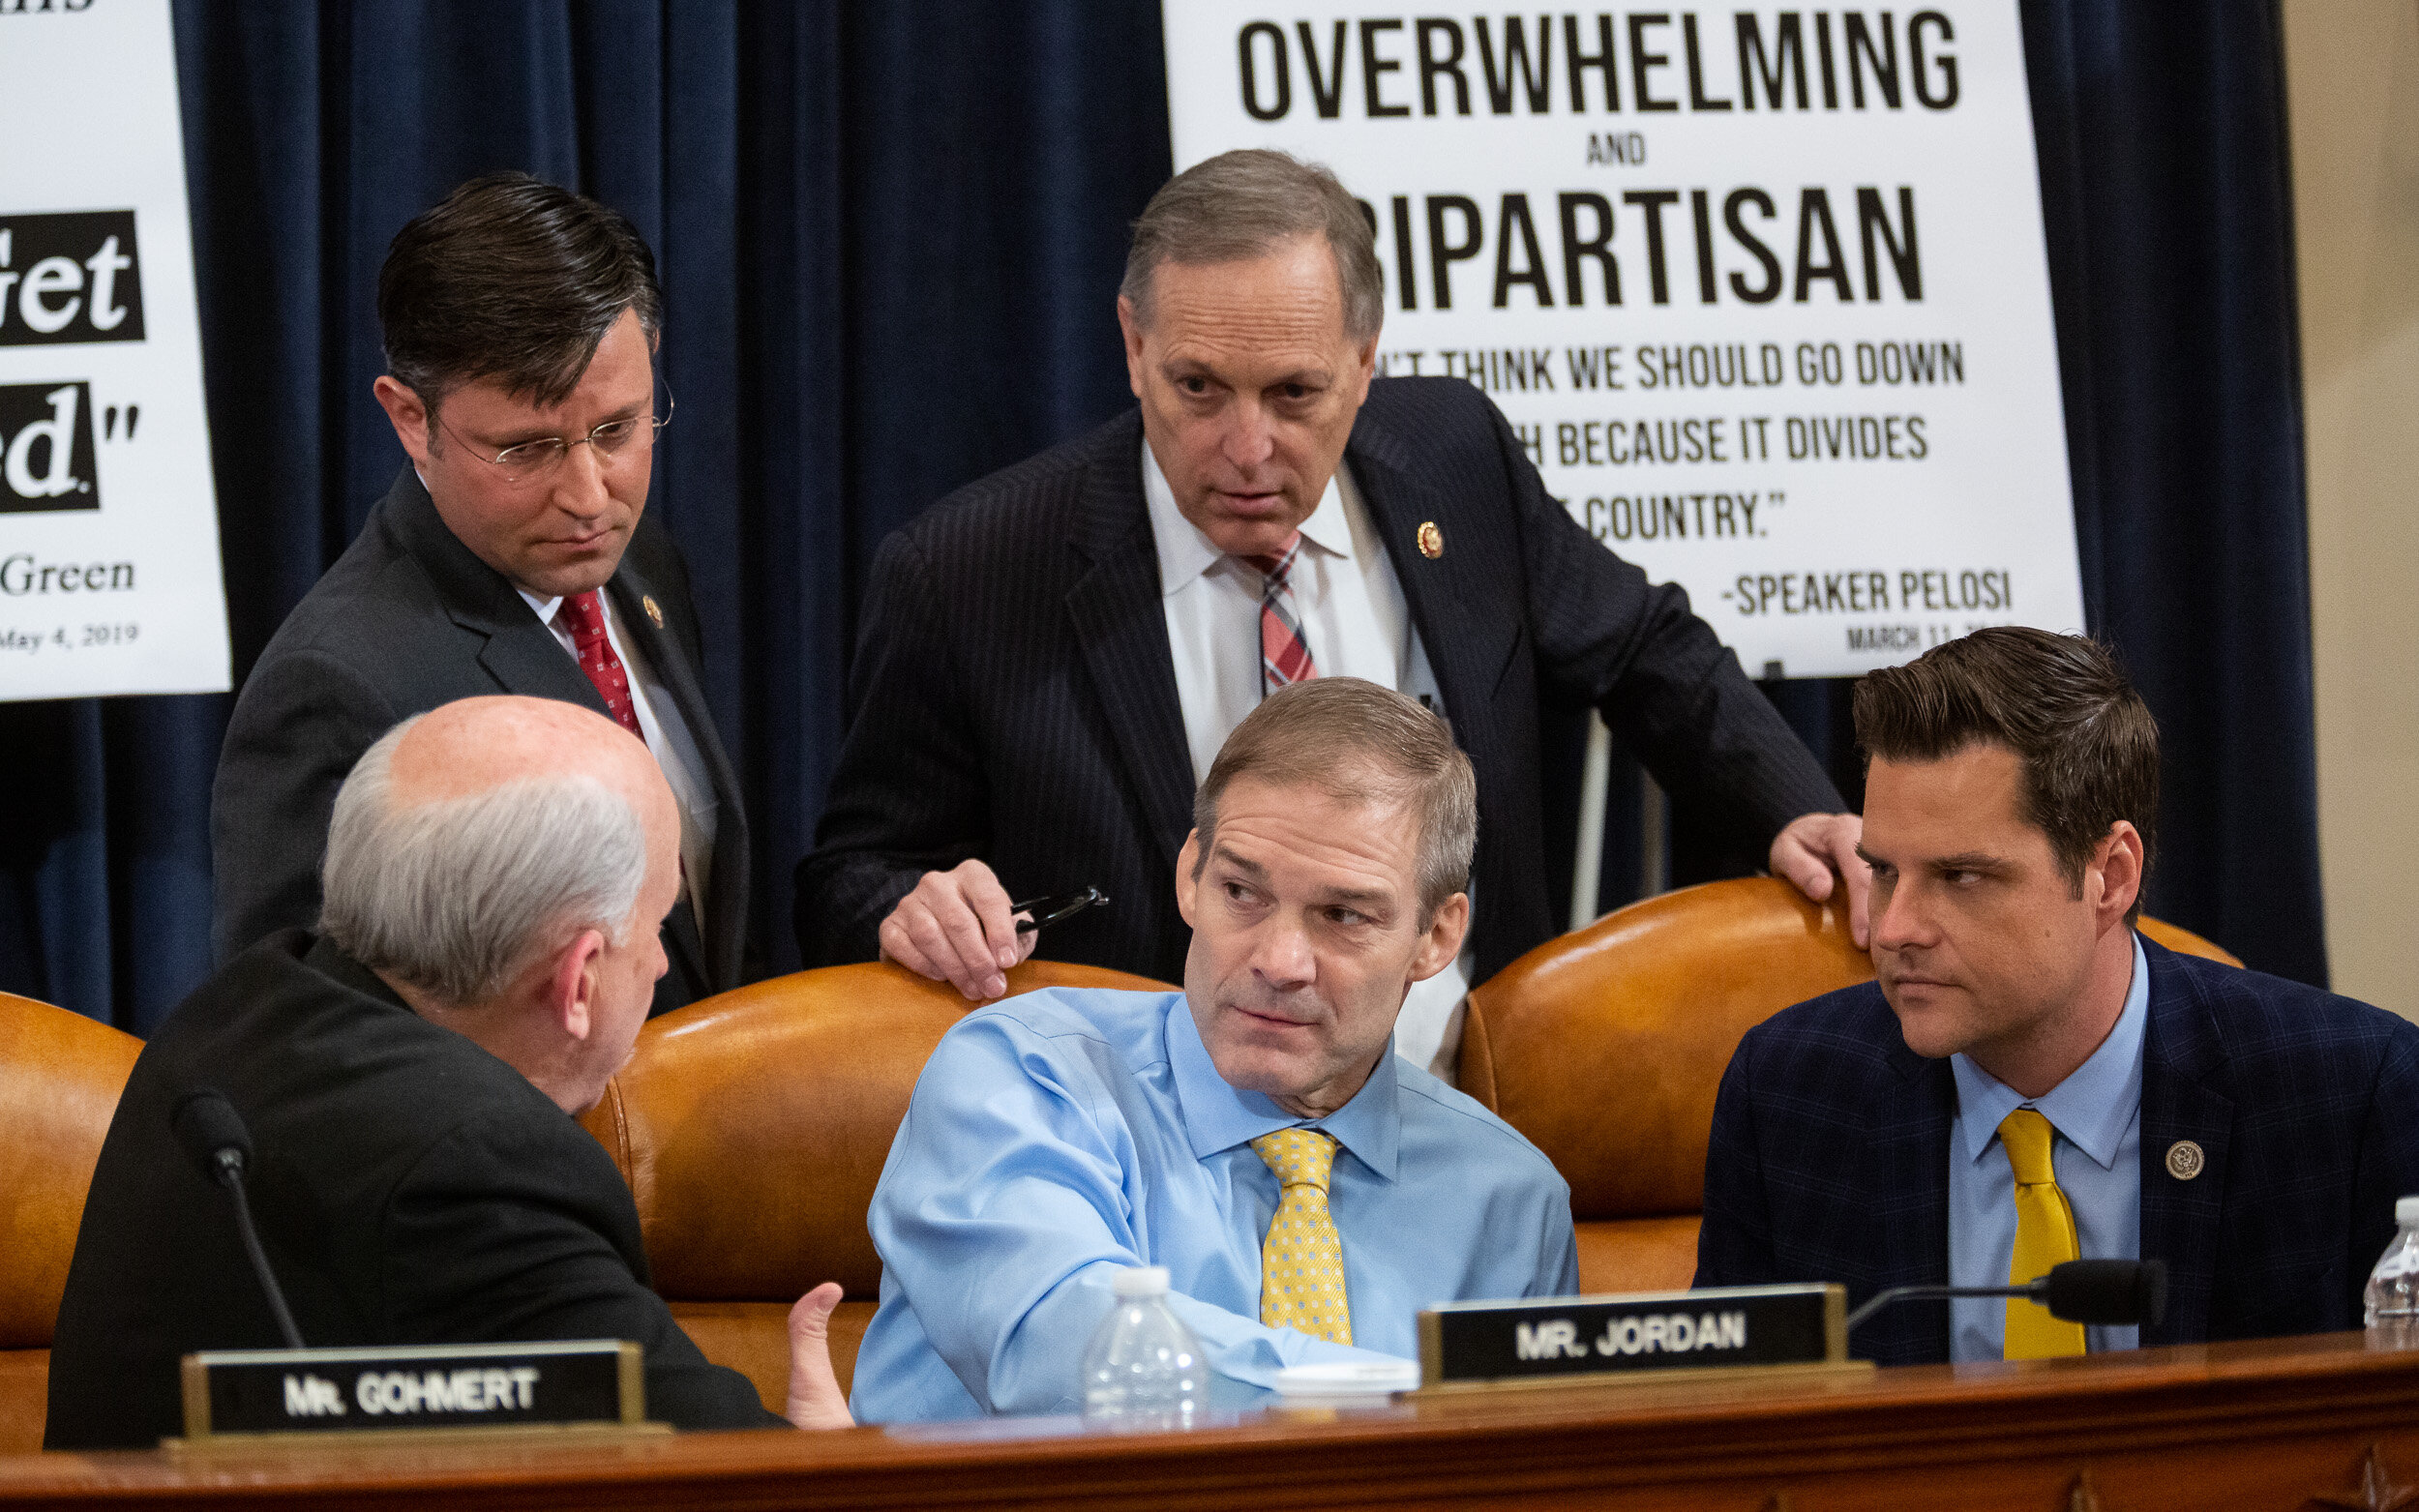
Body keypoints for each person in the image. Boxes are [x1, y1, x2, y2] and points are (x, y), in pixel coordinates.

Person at [797, 148, 1861, 1077]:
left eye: (1295, 395)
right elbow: (851, 875)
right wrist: (912, 906)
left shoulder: (1455, 457)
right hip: (1147, 1162)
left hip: (1463, 1115)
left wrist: (1790, 807)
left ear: (1365, 360)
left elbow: (1642, 649)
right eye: (1199, 389)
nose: (1248, 449)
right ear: (1131, 345)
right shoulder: (972, 570)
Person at [46, 697, 849, 1449]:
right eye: (655, 924)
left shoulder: (232, 1017)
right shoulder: (475, 1169)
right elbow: (716, 1476)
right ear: (579, 978)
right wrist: (832, 1473)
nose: (664, 959)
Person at [849, 678, 1580, 1422]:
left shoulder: (1512, 1198)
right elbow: (1069, 1354)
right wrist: (1429, 1405)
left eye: (1343, 913)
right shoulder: (1021, 1076)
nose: (1280, 959)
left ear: (1436, 937)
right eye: (1242, 891)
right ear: (1191, 874)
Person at [1694, 628, 2419, 1365]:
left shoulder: (2350, 1094)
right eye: (1883, 870)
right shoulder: (1788, 1096)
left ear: (2112, 874)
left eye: (1962, 876)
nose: (1893, 927)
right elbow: (1723, 1440)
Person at [213, 172, 747, 1018]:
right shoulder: (337, 690)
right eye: (527, 449)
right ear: (409, 419)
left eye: (617, 431)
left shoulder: (641, 566)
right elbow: (295, 1042)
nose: (587, 493)